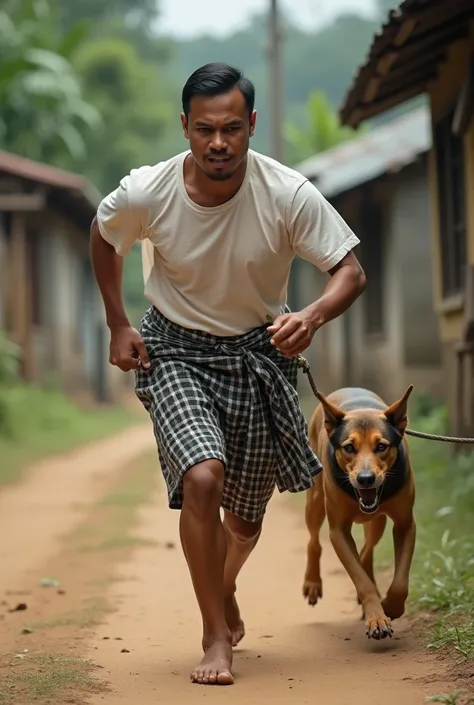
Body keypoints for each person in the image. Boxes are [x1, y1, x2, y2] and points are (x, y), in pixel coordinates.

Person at [90, 62, 366, 687]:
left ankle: (222, 585)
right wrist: (116, 324)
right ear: (185, 126)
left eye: (233, 129)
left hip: (256, 356)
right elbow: (104, 238)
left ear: (252, 127)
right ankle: (215, 635)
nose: (219, 143)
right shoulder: (146, 191)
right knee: (203, 477)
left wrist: (315, 315)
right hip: (175, 352)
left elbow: (349, 271)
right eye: (205, 129)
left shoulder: (287, 193)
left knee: (244, 518)